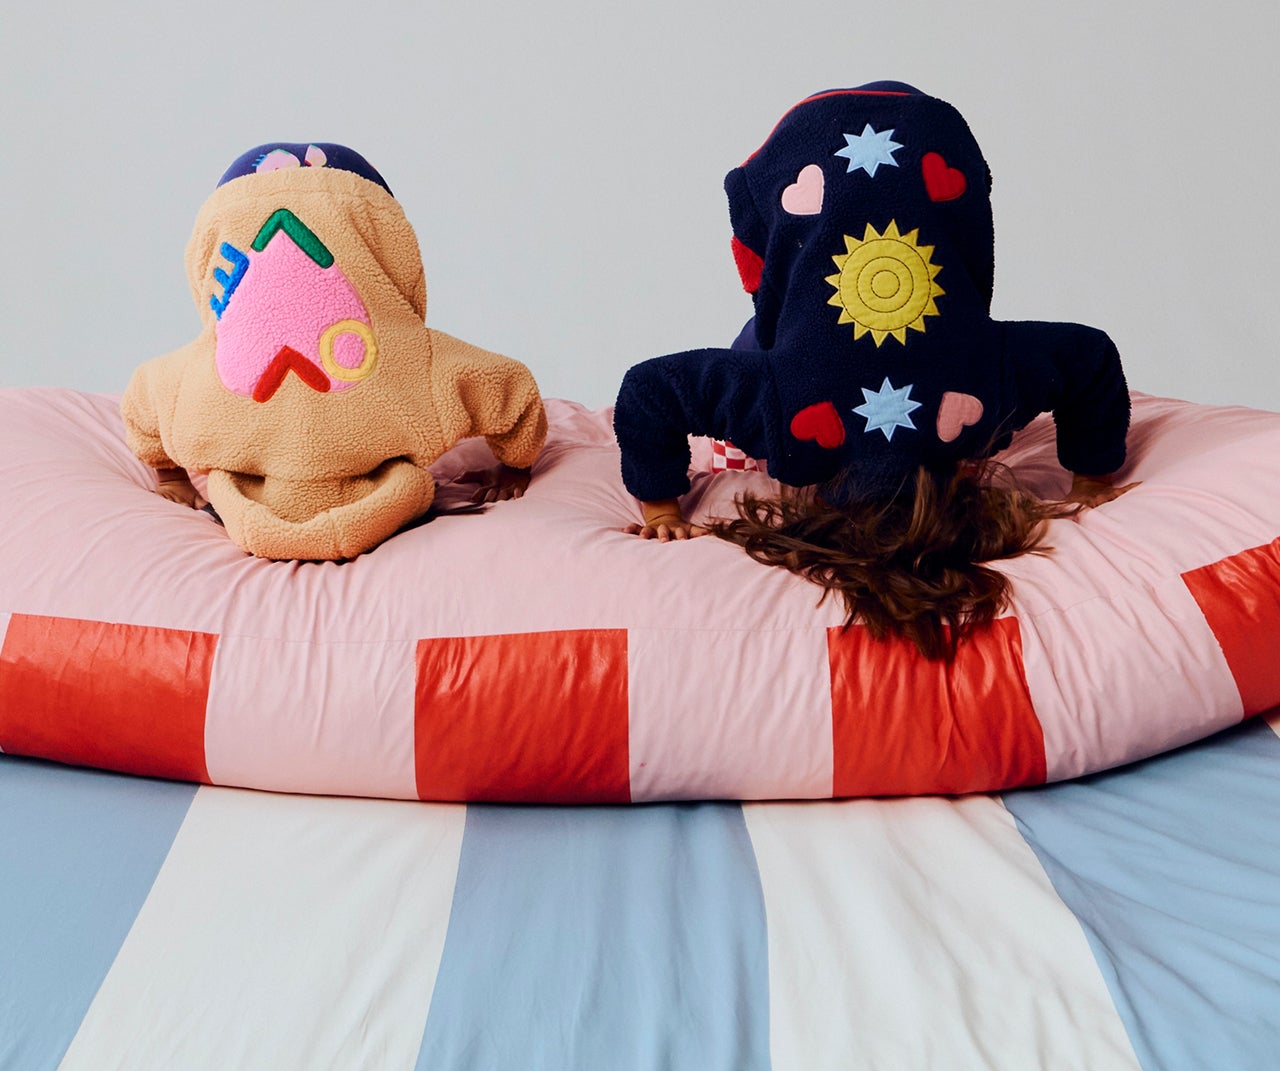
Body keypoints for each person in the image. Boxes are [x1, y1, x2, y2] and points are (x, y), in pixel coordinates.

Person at [612, 84, 1135, 658]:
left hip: (935, 137)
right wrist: (659, 503)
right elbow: (648, 391)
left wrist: (1092, 472)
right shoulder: (786, 422)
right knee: (774, 324)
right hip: (795, 153)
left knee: (863, 293)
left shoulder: (981, 405)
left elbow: (1091, 357)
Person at [122, 141, 545, 560]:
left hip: (247, 504)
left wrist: (171, 476)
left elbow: (144, 404)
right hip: (387, 501)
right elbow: (510, 392)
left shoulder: (191, 382)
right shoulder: (421, 361)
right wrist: (515, 464)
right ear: (388, 250)